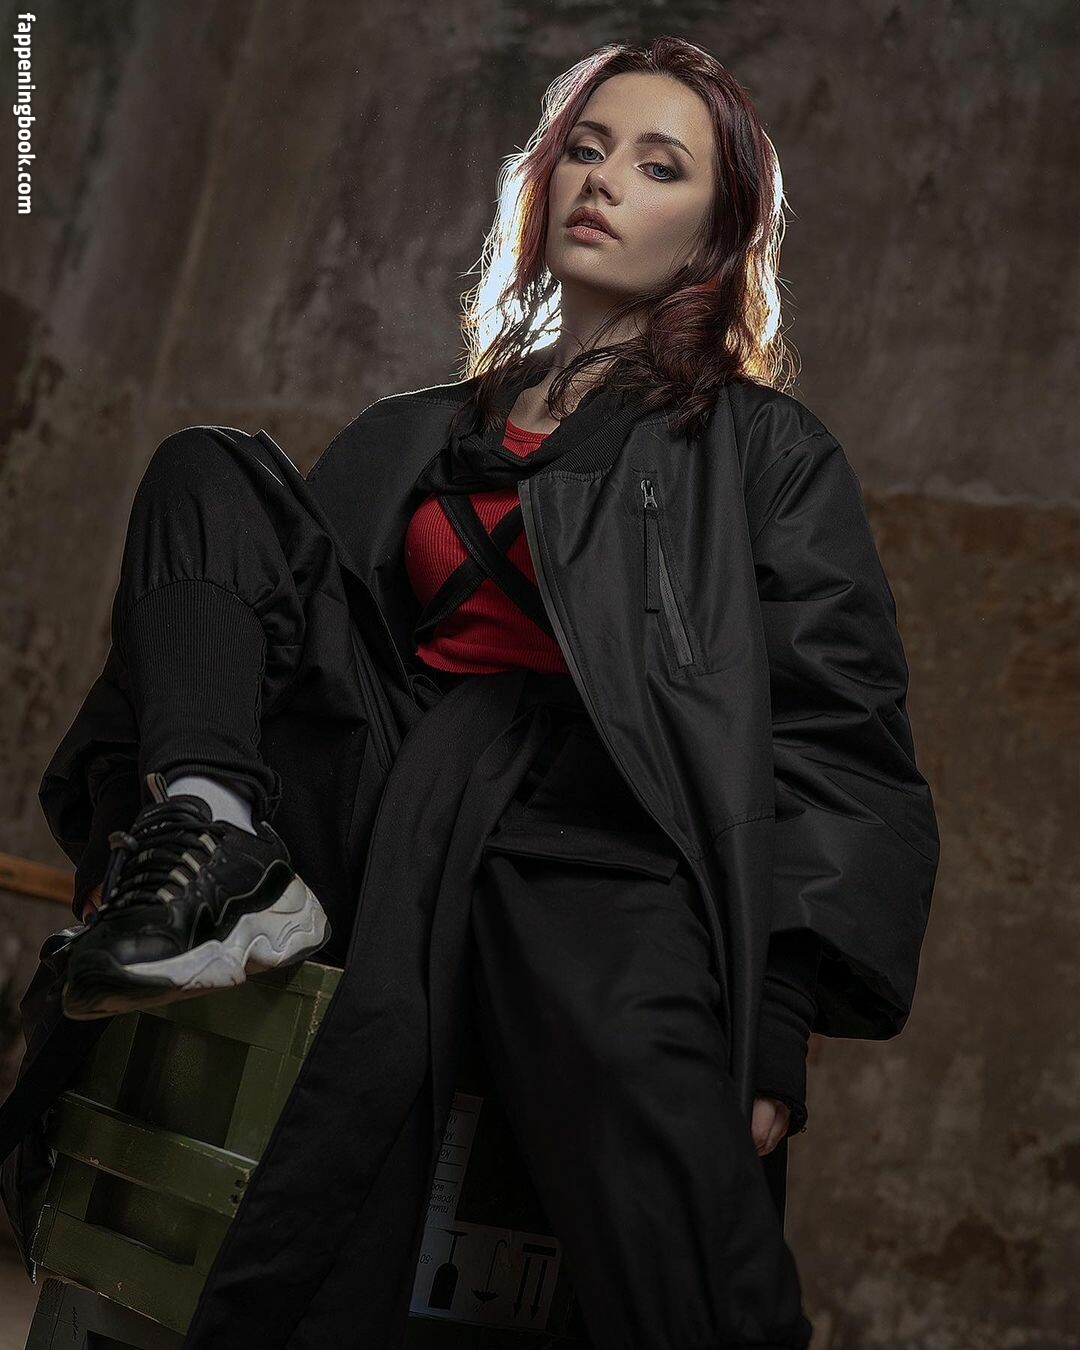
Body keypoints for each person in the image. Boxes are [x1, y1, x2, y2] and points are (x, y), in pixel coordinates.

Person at [5, 36, 939, 1350]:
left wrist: (776, 1022)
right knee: (210, 466)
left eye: (658, 165)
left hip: (598, 829)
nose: (602, 180)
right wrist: (132, 829)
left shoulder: (762, 452)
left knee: (670, 1192)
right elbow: (261, 633)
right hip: (379, 781)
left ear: (715, 236)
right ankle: (213, 839)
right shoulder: (412, 429)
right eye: (585, 149)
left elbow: (838, 736)